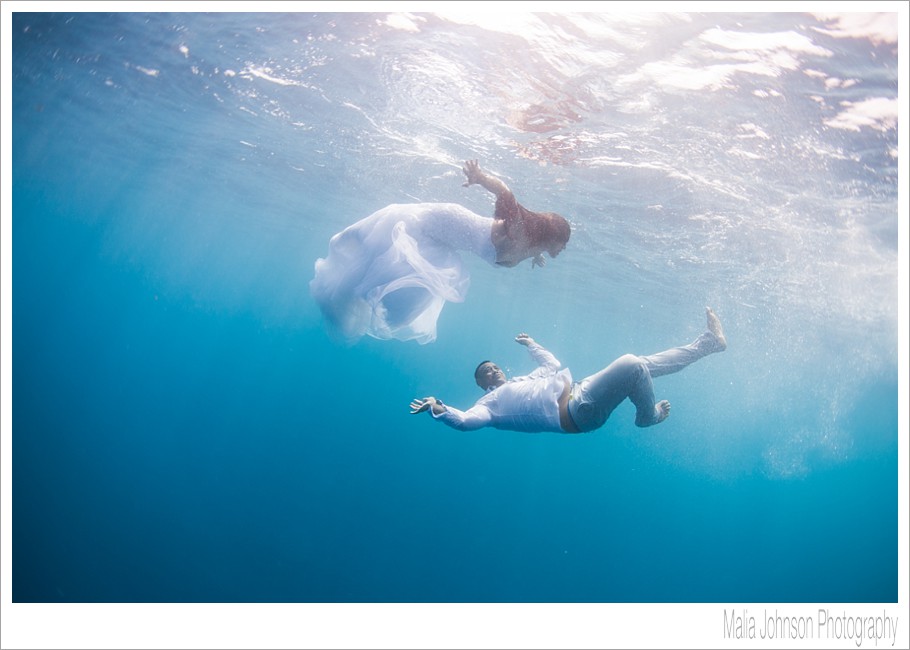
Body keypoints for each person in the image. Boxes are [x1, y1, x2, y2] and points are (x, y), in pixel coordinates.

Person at [310, 160, 571, 344]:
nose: (563, 249)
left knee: (403, 301)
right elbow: (505, 192)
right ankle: (344, 292)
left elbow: (524, 250)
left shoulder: (533, 247)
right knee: (384, 262)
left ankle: (348, 296)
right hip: (441, 222)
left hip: (446, 240)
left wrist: (537, 255)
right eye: (562, 243)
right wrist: (479, 177)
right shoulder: (521, 229)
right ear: (552, 237)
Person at [409, 307, 727, 433]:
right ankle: (647, 416)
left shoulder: (523, 380)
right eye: (486, 374)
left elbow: (551, 365)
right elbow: (465, 422)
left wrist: (532, 344)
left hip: (580, 389)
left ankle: (709, 344)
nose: (492, 371)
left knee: (643, 365)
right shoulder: (487, 405)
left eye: (493, 367)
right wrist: (438, 409)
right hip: (578, 412)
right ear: (482, 386)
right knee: (633, 364)